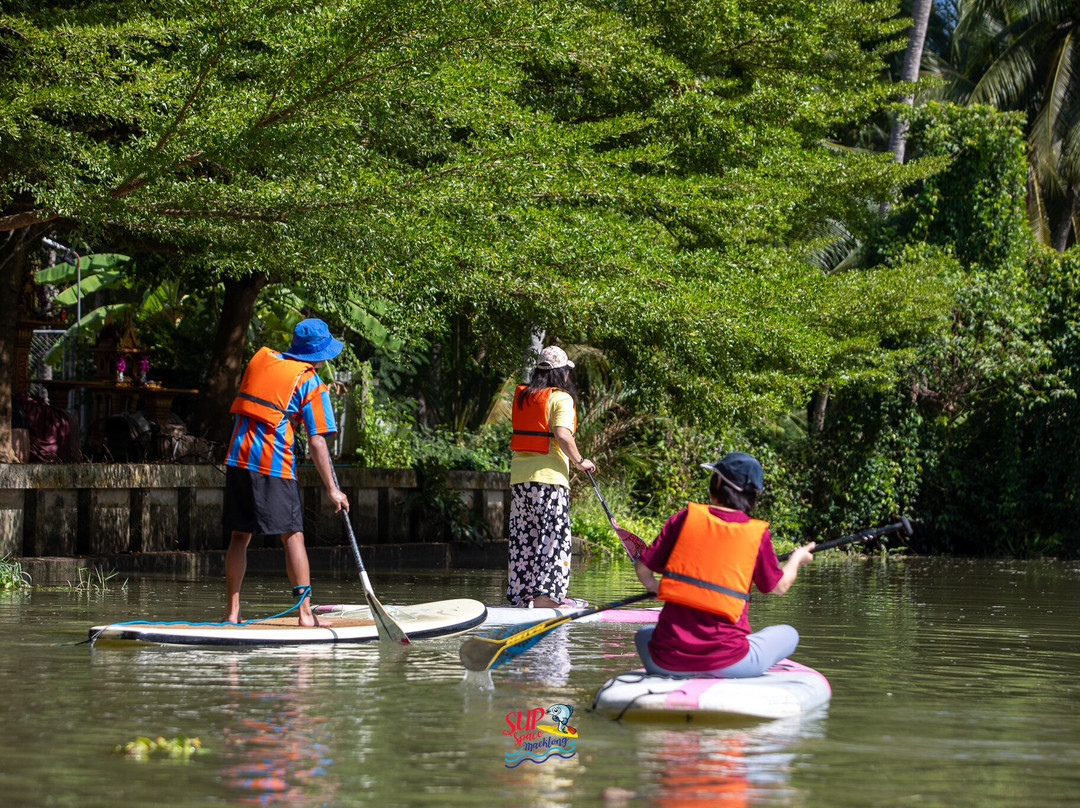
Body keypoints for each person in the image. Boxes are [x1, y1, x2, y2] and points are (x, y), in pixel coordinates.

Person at [633, 452, 815, 677]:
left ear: (717, 482)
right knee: (790, 633)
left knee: (644, 634)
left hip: (665, 661)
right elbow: (778, 587)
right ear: (753, 496)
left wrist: (654, 587)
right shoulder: (757, 534)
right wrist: (797, 559)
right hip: (729, 663)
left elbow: (643, 568)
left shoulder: (684, 518)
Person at [222, 318, 350, 627]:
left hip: (237, 457)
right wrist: (333, 489)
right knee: (292, 535)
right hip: (272, 463)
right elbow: (317, 441)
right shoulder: (310, 383)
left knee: (239, 536)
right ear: (320, 354)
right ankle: (306, 615)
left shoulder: (262, 361)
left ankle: (231, 614)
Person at [507, 345, 596, 608]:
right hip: (549, 481)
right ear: (561, 373)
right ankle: (546, 598)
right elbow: (562, 434)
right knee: (553, 539)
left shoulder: (524, 397)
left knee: (524, 540)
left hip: (520, 482)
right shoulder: (561, 398)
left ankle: (523, 598)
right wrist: (580, 462)